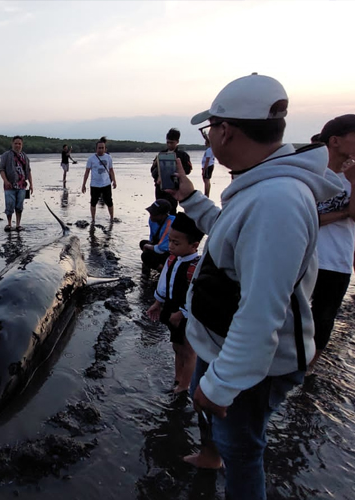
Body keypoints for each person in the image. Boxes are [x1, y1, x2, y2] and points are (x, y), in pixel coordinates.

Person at [169, 73, 341, 499]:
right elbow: (230, 235)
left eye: (209, 130)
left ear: (225, 131)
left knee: (242, 449)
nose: (209, 139)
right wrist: (191, 198)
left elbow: (263, 311)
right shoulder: (260, 184)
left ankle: (224, 459)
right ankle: (210, 454)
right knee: (204, 403)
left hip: (255, 363)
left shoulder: (276, 201)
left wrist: (224, 383)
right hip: (220, 343)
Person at [309, 115, 355, 367]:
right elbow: (307, 217)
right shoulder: (313, 174)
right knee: (289, 313)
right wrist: (342, 212)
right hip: (307, 255)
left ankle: (307, 370)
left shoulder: (353, 174)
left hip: (338, 259)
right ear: (335, 141)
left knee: (324, 318)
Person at [146, 212, 203, 391]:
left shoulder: (196, 267)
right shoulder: (172, 259)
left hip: (187, 314)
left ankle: (185, 385)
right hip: (171, 307)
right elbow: (164, 282)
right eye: (170, 240)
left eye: (176, 243)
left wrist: (182, 313)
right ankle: (178, 378)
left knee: (189, 350)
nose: (170, 246)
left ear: (194, 245)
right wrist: (157, 302)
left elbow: (197, 295)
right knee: (177, 346)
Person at [151, 128, 192, 214]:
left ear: (177, 141)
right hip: (160, 187)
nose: (169, 145)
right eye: (168, 142)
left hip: (174, 187)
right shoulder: (161, 154)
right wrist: (156, 167)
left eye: (171, 142)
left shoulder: (183, 155)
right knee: (159, 210)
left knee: (172, 210)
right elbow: (152, 171)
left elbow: (187, 171)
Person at [0, 136, 33, 232]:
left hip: (22, 185)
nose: (17, 145)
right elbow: (1, 169)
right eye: (16, 143)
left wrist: (31, 184)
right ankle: (9, 224)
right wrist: (5, 181)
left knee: (19, 206)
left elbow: (28, 171)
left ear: (22, 145)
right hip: (9, 185)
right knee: (9, 205)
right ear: (12, 144)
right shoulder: (6, 155)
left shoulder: (25, 157)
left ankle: (18, 224)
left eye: (19, 144)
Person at [82, 137, 117, 224]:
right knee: (93, 202)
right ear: (96, 148)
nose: (101, 149)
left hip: (106, 183)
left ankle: (112, 218)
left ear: (105, 149)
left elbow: (111, 170)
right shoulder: (91, 159)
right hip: (95, 184)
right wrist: (83, 184)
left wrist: (114, 181)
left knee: (109, 201)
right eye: (99, 148)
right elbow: (87, 172)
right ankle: (93, 219)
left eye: (102, 148)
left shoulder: (108, 157)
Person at [139, 199, 174, 272]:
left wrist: (147, 247)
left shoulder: (170, 224)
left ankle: (164, 270)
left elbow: (161, 249)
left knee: (145, 255)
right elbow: (153, 238)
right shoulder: (152, 220)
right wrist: (148, 246)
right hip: (160, 245)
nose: (151, 216)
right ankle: (147, 269)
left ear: (163, 215)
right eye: (150, 213)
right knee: (143, 243)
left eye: (154, 214)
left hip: (170, 251)